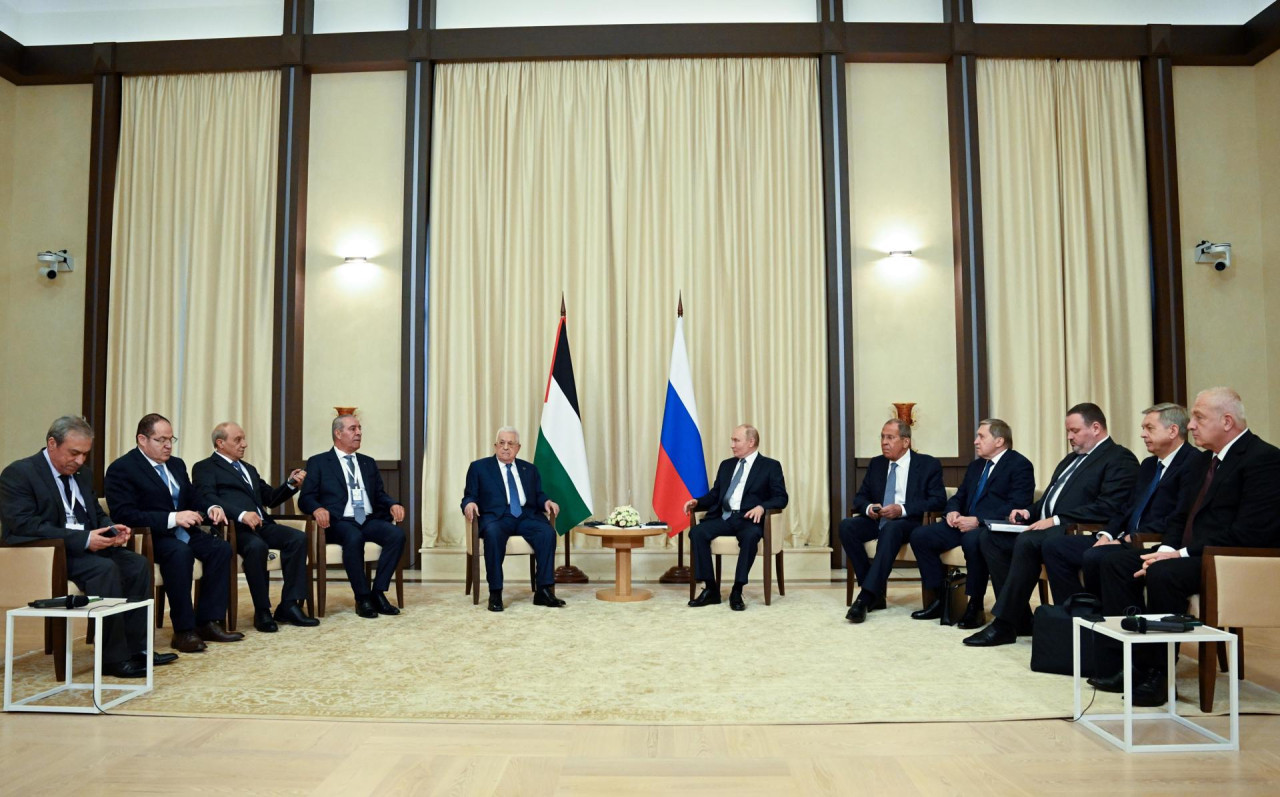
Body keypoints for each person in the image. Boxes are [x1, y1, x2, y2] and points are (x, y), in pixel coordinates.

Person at [1092, 387, 1280, 705]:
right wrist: (1166, 548)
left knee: (1165, 574)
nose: (1191, 425)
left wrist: (1179, 554)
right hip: (1190, 555)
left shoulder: (1264, 460)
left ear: (1227, 421)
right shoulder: (1202, 461)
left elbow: (1251, 533)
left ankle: (1158, 676)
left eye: (1198, 417)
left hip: (1229, 559)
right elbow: (1178, 518)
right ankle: (1132, 665)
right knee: (1115, 563)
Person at [0, 416, 178, 678]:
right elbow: (24, 525)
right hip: (50, 553)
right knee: (104, 569)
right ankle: (113, 659)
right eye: (74, 453)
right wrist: (83, 540)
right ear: (52, 444)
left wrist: (113, 528)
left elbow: (94, 512)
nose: (80, 461)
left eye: (85, 454)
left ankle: (138, 649)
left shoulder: (82, 474)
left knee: (137, 564)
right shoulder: (20, 473)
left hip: (87, 546)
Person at [963, 402, 1137, 647]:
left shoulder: (1119, 458)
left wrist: (1055, 520)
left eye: (1075, 431)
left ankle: (1004, 623)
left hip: (1075, 530)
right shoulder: (1070, 460)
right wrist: (1027, 511)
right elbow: (1048, 501)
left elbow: (1109, 506)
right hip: (1048, 526)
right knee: (990, 539)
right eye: (1068, 431)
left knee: (1028, 541)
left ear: (1096, 427)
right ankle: (1021, 617)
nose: (1069, 437)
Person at [105, 413, 242, 653]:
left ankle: (208, 621)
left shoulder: (176, 465)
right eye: (161, 440)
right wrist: (172, 518)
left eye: (171, 439)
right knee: (180, 553)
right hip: (151, 537)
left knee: (220, 548)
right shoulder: (122, 469)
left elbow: (192, 496)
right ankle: (184, 631)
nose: (168, 445)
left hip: (183, 532)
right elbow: (125, 514)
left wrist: (211, 507)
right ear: (142, 440)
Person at [1041, 403, 1197, 602]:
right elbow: (1127, 507)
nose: (1142, 434)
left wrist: (1127, 539)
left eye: (1149, 428)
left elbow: (1179, 515)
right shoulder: (1149, 464)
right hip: (1126, 537)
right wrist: (1107, 534)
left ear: (1173, 431)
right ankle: (1076, 613)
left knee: (1097, 557)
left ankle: (1105, 618)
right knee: (1055, 547)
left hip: (1152, 540)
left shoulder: (1192, 463)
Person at [192, 421, 318, 633]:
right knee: (257, 547)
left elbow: (269, 498)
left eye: (244, 439)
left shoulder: (248, 469)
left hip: (262, 524)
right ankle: (262, 610)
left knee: (297, 538)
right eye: (238, 440)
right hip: (233, 528)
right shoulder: (205, 467)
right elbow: (208, 497)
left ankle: (289, 604)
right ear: (220, 443)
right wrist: (241, 515)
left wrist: (290, 485)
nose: (245, 444)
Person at [909, 418, 1034, 628]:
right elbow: (961, 495)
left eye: (981, 436)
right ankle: (941, 599)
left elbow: (1018, 504)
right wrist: (952, 511)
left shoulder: (1019, 465)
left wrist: (978, 521)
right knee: (920, 536)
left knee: (973, 540)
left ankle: (975, 606)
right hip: (962, 524)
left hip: (989, 529)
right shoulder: (977, 466)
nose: (976, 441)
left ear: (999, 441)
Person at [298, 414, 405, 619]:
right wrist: (317, 509)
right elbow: (306, 498)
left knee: (396, 535)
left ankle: (378, 592)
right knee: (353, 537)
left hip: (367, 518)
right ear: (338, 433)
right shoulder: (319, 462)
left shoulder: (367, 463)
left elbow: (379, 495)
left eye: (359, 428)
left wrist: (393, 504)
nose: (359, 433)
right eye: (353, 429)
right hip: (338, 521)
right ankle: (362, 597)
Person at [841, 419, 946, 623]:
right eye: (882, 437)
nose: (884, 442)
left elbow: (938, 500)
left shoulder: (927, 464)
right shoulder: (877, 463)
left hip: (909, 523)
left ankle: (865, 598)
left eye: (890, 437)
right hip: (877, 520)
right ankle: (875, 592)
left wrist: (902, 509)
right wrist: (870, 508)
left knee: (892, 529)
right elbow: (860, 498)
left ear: (906, 442)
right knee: (847, 526)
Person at [683, 425, 788, 611]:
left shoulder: (770, 466)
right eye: (732, 440)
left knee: (750, 538)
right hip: (724, 517)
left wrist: (762, 507)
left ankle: (737, 590)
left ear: (751, 442)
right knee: (697, 532)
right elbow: (715, 495)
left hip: (749, 520)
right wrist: (697, 502)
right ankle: (711, 588)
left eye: (736, 440)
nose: (732, 445)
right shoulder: (726, 465)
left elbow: (781, 497)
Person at [460, 426, 564, 612]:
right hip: (497, 518)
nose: (506, 447)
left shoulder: (529, 469)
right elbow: (469, 495)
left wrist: (547, 501)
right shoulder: (479, 467)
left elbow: (538, 494)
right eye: (502, 443)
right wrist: (469, 504)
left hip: (526, 516)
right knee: (492, 534)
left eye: (511, 444)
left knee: (547, 532)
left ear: (518, 447)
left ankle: (543, 590)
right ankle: (496, 592)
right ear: (495, 446)